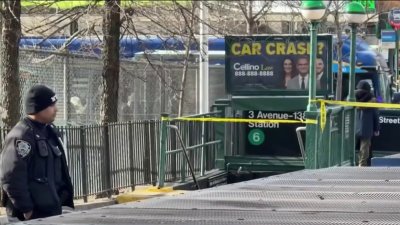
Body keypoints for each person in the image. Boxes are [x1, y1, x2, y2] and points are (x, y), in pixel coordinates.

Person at [0, 85, 74, 222]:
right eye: (51, 105)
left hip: (51, 212)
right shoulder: (21, 136)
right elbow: (11, 178)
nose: (56, 109)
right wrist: (27, 210)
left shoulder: (49, 132)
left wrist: (63, 200)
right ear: (37, 108)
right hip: (30, 217)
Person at [355, 80, 380, 167]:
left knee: (353, 146)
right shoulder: (372, 99)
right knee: (365, 146)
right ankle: (362, 163)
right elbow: (375, 115)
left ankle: (354, 161)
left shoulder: (351, 97)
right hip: (366, 127)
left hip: (352, 127)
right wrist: (377, 128)